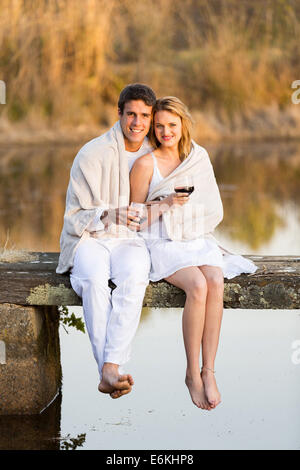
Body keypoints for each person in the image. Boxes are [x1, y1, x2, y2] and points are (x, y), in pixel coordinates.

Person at [130, 96, 257, 410]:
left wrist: (188, 213)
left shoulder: (197, 157)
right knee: (197, 286)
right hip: (160, 239)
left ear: (183, 124)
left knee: (215, 278)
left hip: (194, 237)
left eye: (172, 125)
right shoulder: (146, 164)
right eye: (159, 126)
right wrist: (167, 203)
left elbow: (209, 204)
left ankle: (209, 369)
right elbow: (133, 219)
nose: (165, 131)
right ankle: (190, 372)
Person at [56, 83, 157, 399]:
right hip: (92, 238)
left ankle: (107, 370)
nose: (137, 123)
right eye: (131, 114)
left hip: (130, 242)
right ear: (119, 114)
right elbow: (74, 218)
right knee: (93, 279)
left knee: (135, 277)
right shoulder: (92, 153)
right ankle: (109, 368)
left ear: (151, 118)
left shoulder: (155, 156)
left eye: (144, 116)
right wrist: (108, 214)